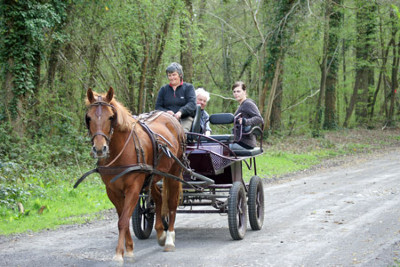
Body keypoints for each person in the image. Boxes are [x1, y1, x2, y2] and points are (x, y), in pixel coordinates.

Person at [155, 62, 196, 132]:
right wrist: (166, 112)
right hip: (166, 119)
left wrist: (180, 112)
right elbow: (158, 107)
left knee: (181, 134)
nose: (172, 78)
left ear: (180, 75)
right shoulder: (163, 89)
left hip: (184, 119)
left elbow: (192, 104)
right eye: (169, 75)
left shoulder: (188, 87)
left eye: (174, 75)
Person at [231, 81, 263, 149]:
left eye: (238, 91)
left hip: (246, 142)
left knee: (221, 148)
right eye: (234, 92)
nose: (236, 94)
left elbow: (259, 119)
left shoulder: (247, 104)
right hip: (238, 140)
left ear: (244, 92)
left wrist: (245, 121)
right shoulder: (242, 105)